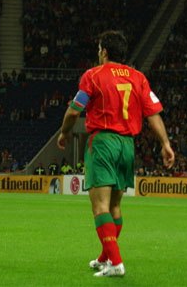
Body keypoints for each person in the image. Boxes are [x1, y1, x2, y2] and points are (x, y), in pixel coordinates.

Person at [57, 30, 175, 277]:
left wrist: (64, 133)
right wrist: (165, 143)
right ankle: (105, 257)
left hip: (103, 142)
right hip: (127, 145)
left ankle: (117, 263)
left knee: (100, 207)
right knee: (115, 206)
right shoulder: (138, 77)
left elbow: (74, 111)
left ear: (104, 52)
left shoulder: (93, 75)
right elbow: (153, 113)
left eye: (99, 49)